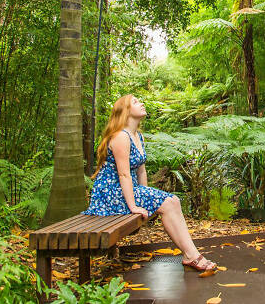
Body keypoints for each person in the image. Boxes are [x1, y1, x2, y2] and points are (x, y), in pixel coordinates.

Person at [83, 94, 217, 272]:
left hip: (127, 190)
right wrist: (134, 206)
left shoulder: (138, 136)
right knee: (169, 203)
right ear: (125, 111)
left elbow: (141, 171)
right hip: (110, 193)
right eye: (136, 102)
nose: (142, 103)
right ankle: (191, 256)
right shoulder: (120, 137)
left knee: (173, 201)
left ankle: (190, 254)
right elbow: (123, 174)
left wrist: (145, 197)